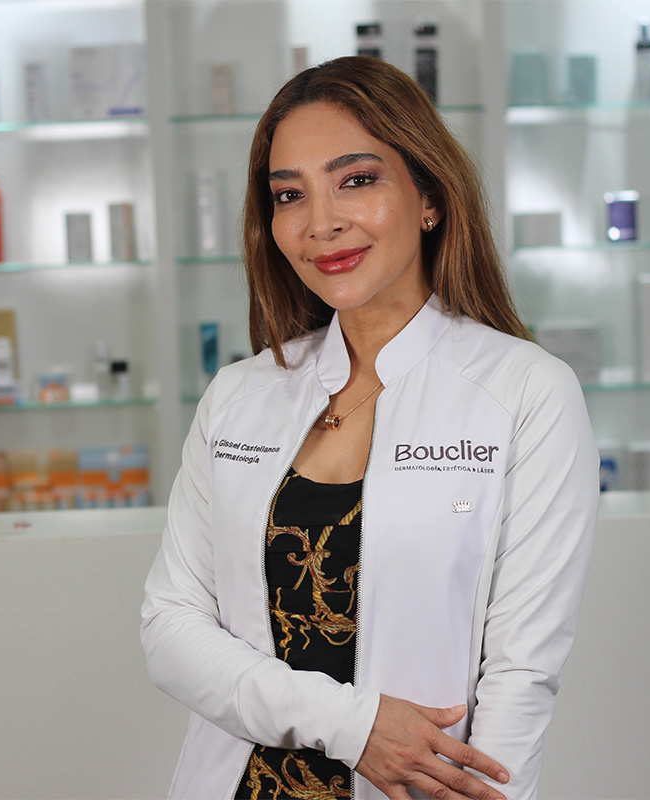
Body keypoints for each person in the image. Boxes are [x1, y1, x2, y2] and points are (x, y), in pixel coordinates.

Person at [141, 56, 597, 800]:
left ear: (430, 197)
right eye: (290, 194)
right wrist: (352, 726)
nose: (322, 223)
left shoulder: (525, 393)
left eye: (356, 179)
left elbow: (522, 672)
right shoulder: (238, 396)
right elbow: (171, 627)